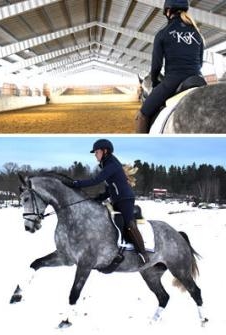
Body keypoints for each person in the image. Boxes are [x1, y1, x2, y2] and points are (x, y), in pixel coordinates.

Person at [72, 139, 148, 264]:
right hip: (117, 198)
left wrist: (77, 183)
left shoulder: (112, 164)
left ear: (105, 151)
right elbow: (109, 190)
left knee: (129, 224)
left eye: (97, 152)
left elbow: (95, 180)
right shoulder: (108, 165)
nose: (95, 155)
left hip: (125, 198)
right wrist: (98, 198)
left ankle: (143, 254)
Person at [135, 0, 204, 133]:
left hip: (173, 81)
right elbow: (200, 63)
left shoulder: (163, 33)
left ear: (167, 11)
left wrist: (155, 83)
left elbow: (156, 66)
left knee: (142, 114)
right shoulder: (197, 33)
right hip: (198, 80)